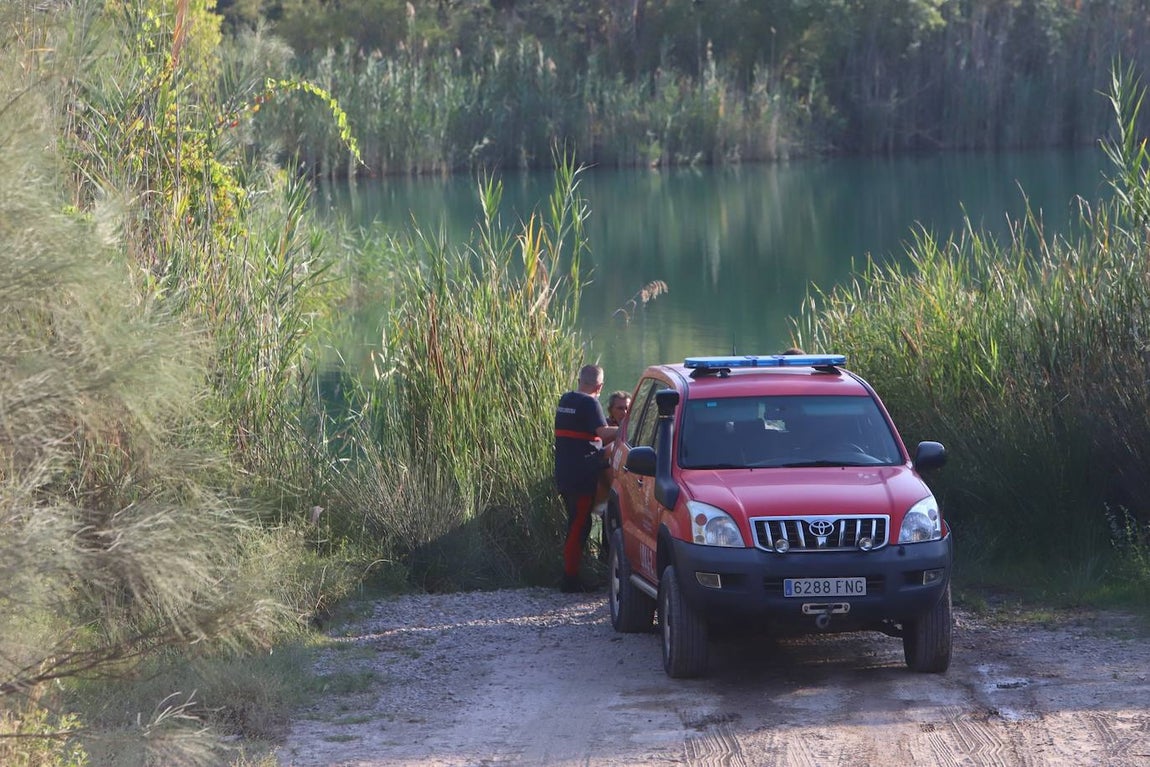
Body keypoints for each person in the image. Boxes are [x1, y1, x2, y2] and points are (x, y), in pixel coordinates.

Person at [554, 364, 619, 593]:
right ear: (599, 386)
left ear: (579, 379)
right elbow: (602, 433)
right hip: (581, 475)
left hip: (564, 471)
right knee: (579, 524)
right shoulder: (590, 402)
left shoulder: (566, 399)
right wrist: (626, 428)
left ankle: (572, 575)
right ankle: (570, 581)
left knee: (577, 522)